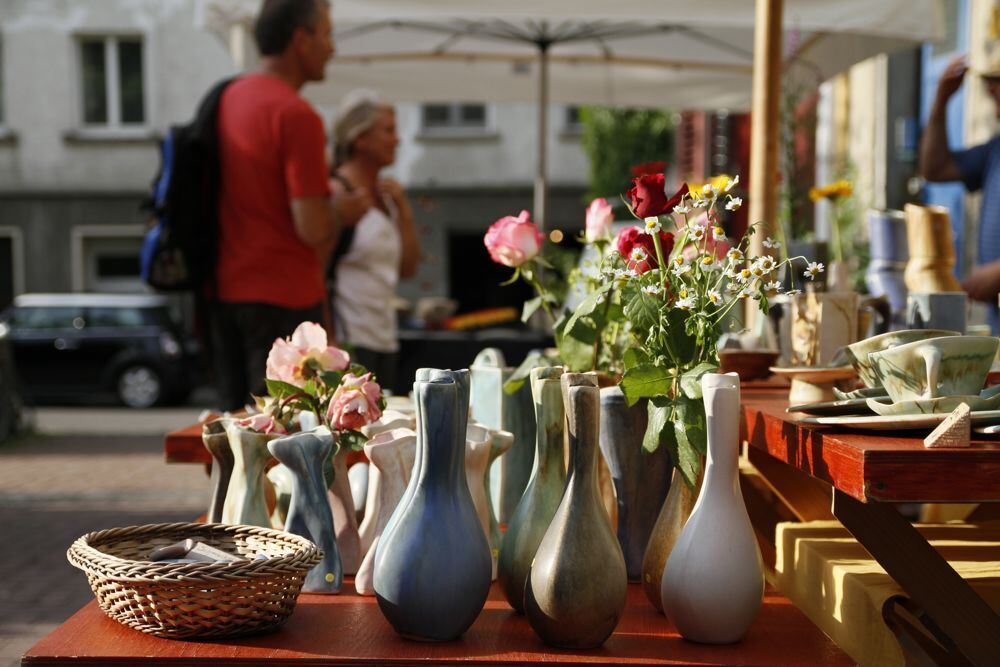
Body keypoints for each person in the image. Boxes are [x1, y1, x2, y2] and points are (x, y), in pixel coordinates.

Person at [211, 0, 372, 411]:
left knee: (241, 440)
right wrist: (344, 211)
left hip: (226, 294)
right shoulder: (296, 115)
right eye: (327, 34)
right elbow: (312, 226)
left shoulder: (230, 97)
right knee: (288, 447)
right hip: (284, 301)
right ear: (301, 39)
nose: (332, 48)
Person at [327, 92, 421, 390]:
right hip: (349, 343)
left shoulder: (386, 197)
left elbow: (407, 269)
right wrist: (330, 342)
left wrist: (404, 213)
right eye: (389, 130)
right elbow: (316, 270)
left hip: (384, 339)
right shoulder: (337, 193)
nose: (398, 140)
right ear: (360, 139)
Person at [919, 54, 1000, 329]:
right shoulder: (995, 149)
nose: (991, 89)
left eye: (997, 81)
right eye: (990, 81)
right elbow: (935, 168)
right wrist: (941, 100)